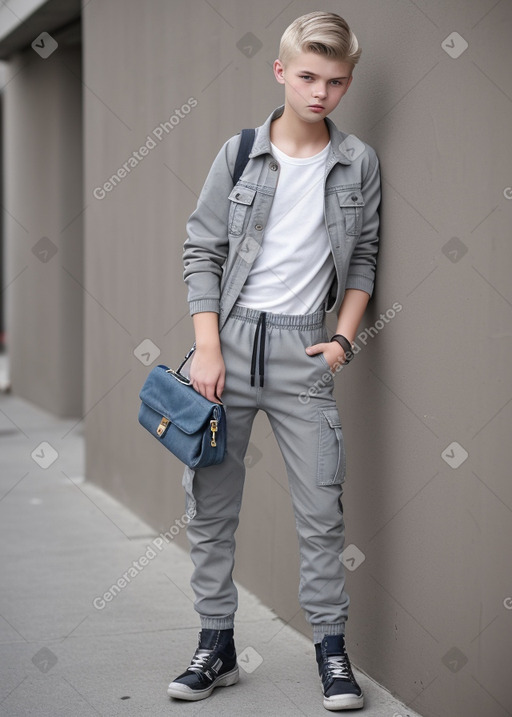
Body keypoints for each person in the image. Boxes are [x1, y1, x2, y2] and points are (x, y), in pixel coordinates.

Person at [167, 10, 381, 712]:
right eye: (309, 76)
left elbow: (364, 263)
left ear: (348, 83)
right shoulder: (238, 154)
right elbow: (203, 248)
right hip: (224, 350)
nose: (321, 93)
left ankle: (331, 648)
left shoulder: (357, 163)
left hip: (303, 351)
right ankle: (216, 642)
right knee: (210, 506)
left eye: (338, 81)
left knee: (321, 507)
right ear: (282, 71)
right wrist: (205, 346)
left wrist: (343, 341)